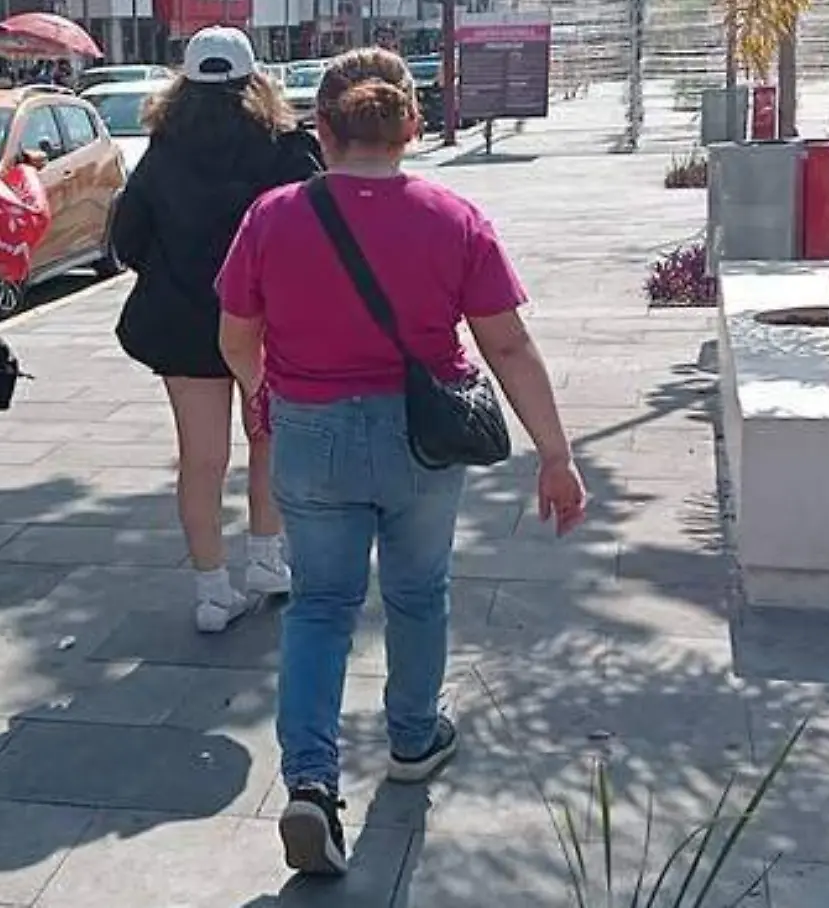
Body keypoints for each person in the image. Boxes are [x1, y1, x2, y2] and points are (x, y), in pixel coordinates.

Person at [215, 48, 586, 877]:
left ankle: (312, 781)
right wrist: (555, 454)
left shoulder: (273, 215)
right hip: (423, 438)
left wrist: (261, 388)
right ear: (411, 128)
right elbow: (509, 345)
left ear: (322, 130)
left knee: (319, 607)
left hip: (310, 433)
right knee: (419, 594)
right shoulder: (455, 218)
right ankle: (413, 737)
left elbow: (235, 334)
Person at [112, 26, 323, 634]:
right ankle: (266, 558)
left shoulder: (161, 150)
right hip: (268, 322)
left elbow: (127, 241)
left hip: (183, 324)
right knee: (269, 441)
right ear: (254, 79)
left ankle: (211, 592)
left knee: (200, 459)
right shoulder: (286, 147)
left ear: (185, 83)